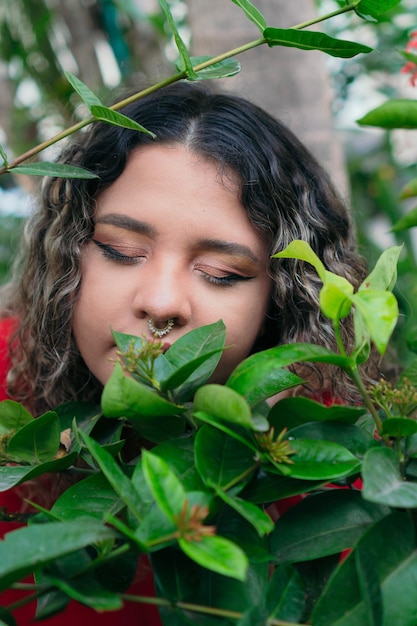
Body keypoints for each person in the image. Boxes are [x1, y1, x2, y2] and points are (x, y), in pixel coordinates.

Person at [0, 81, 369, 624]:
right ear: (70, 251)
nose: (161, 303)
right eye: (121, 251)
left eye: (221, 274)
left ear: (280, 300)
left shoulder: (331, 482)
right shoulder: (8, 377)